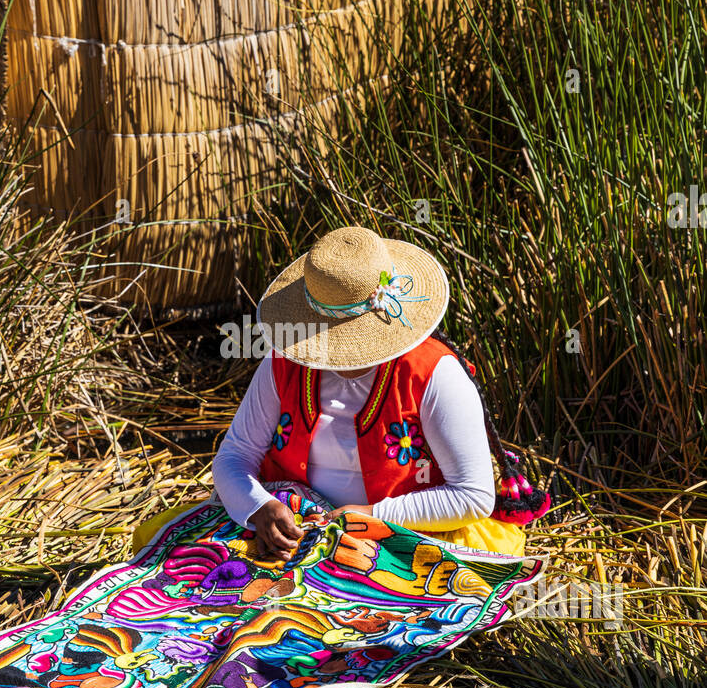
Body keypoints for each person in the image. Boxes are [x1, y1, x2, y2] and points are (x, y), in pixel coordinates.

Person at [208, 225, 549, 561]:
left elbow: (472, 495)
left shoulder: (432, 374)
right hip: (295, 526)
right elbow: (235, 455)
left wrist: (372, 514)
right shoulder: (284, 364)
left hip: (406, 532)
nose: (338, 357)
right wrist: (258, 507)